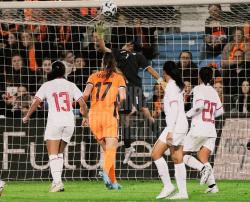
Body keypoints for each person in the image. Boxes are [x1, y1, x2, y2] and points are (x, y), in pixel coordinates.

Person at [95, 21, 165, 164]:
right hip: (122, 90)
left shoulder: (137, 56)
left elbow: (149, 69)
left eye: (128, 43)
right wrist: (101, 33)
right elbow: (102, 47)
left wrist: (160, 80)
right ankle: (128, 148)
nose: (126, 44)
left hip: (135, 88)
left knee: (145, 111)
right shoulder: (116, 53)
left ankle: (162, 139)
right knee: (125, 120)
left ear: (131, 45)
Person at [23, 61, 88, 192]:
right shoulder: (71, 85)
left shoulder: (47, 85)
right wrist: (86, 117)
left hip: (55, 121)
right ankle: (56, 181)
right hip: (69, 122)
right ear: (64, 72)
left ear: (51, 71)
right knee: (59, 153)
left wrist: (27, 116)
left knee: (53, 155)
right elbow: (83, 103)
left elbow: (36, 102)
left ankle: (58, 183)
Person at [82, 52, 126, 190]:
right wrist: (117, 105)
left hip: (94, 116)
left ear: (102, 62)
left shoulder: (93, 76)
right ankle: (106, 173)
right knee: (112, 148)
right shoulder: (119, 78)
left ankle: (113, 182)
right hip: (109, 115)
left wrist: (84, 116)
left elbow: (85, 95)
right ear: (114, 63)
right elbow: (123, 97)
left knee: (107, 151)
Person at [183, 67, 224, 194]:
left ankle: (202, 169)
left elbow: (200, 106)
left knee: (180, 154)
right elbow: (221, 111)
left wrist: (187, 115)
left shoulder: (198, 89)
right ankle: (213, 186)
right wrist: (210, 116)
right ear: (211, 78)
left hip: (199, 128)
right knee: (202, 156)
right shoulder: (213, 91)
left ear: (199, 77)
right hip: (211, 129)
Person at [151, 61, 189, 200]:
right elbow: (163, 83)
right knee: (176, 157)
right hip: (182, 124)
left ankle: (168, 186)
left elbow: (173, 111)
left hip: (176, 126)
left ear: (165, 71)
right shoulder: (176, 86)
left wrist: (171, 131)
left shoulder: (172, 87)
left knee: (155, 153)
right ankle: (183, 193)